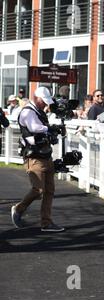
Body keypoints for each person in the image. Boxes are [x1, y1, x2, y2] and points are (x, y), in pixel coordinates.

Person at [11, 87, 65, 232]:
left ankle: (46, 223)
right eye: (43, 101)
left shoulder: (39, 111)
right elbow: (34, 127)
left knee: (49, 191)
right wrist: (50, 128)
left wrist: (53, 131)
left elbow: (42, 129)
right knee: (38, 190)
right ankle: (18, 209)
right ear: (36, 98)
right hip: (34, 157)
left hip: (45, 154)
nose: (45, 105)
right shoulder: (27, 111)